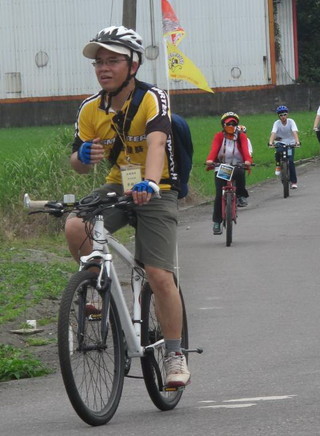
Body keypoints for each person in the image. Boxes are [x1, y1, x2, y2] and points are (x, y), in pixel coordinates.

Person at [64, 26, 190, 388]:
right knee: (76, 226)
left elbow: (156, 143)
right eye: (98, 62)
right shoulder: (91, 108)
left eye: (112, 60)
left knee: (159, 275)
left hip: (158, 185)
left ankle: (174, 355)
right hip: (121, 182)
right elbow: (78, 162)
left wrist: (151, 182)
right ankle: (99, 288)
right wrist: (83, 156)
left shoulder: (153, 98)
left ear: (133, 64)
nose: (103, 68)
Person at [206, 112, 253, 234]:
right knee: (218, 195)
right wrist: (210, 160)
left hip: (237, 165)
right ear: (223, 125)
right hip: (222, 167)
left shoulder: (241, 137)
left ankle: (241, 195)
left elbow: (245, 150)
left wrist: (247, 161)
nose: (231, 126)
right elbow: (214, 149)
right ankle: (217, 222)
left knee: (240, 173)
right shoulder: (219, 136)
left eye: (234, 124)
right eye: (228, 124)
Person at [269, 105, 300, 189]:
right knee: (278, 150)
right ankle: (278, 165)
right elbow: (273, 133)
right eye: (281, 115)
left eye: (284, 114)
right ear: (278, 116)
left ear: (287, 115)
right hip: (280, 142)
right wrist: (271, 142)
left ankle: (293, 182)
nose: (283, 117)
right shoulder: (276, 123)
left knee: (291, 162)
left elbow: (294, 132)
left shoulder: (291, 122)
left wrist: (297, 142)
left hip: (290, 143)